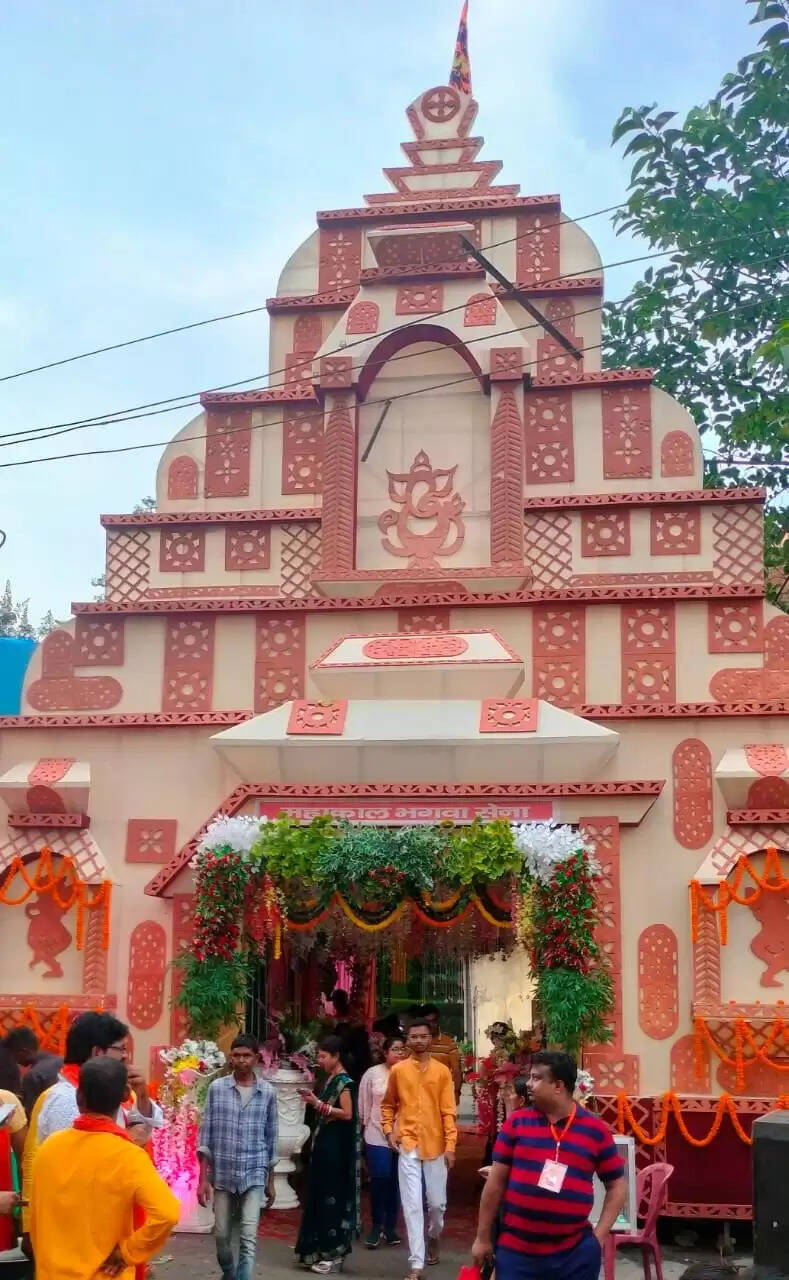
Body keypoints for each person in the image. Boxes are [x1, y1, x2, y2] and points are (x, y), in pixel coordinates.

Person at [471, 1050, 627, 1280]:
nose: (528, 1084)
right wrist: (482, 1238)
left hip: (575, 1256)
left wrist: (598, 1237)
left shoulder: (595, 1130)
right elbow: (495, 1183)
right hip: (517, 1253)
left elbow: (617, 1186)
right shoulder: (517, 1123)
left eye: (536, 1078)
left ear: (558, 1086)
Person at [30, 1057, 179, 1280]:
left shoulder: (49, 1148)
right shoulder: (128, 1155)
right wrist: (127, 1253)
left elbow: (37, 1216)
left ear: (79, 1097)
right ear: (126, 1095)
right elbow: (167, 1213)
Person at [380, 1017, 457, 1279]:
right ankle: (416, 1263)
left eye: (424, 1036)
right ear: (407, 1040)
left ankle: (434, 1235)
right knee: (411, 1204)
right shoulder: (399, 1071)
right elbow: (388, 1104)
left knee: (437, 1205)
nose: (419, 1041)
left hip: (436, 1144)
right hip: (408, 1142)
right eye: (414, 1037)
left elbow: (448, 1112)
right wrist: (388, 1130)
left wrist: (451, 1145)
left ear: (431, 1038)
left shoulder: (442, 1071)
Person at [197, 1034, 278, 1280]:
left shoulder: (267, 1092)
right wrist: (203, 1180)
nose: (242, 1060)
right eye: (237, 1055)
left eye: (247, 1055)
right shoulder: (217, 1089)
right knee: (221, 1234)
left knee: (248, 1236)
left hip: (254, 1171)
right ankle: (229, 1273)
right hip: (223, 1172)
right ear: (230, 1058)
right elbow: (206, 1135)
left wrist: (270, 1181)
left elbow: (271, 1137)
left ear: (256, 1058)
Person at [36, 1011, 163, 1144]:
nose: (125, 1056)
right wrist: (129, 1143)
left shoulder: (106, 1087)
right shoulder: (65, 1100)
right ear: (97, 1052)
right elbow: (77, 1153)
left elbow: (144, 1130)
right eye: (121, 1048)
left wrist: (142, 1096)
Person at [295, 1034, 360, 1274]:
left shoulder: (345, 1082)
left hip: (336, 1149)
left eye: (323, 1057)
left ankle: (333, 1253)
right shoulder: (331, 1078)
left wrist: (317, 1104)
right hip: (324, 1145)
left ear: (336, 1056)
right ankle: (317, 1249)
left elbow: (347, 1114)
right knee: (319, 1196)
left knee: (332, 1197)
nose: (320, 1061)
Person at [358, 1034, 406, 1248]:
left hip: (403, 1135)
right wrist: (363, 1127)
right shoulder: (372, 1074)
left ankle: (390, 1226)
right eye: (394, 1049)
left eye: (402, 1049)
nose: (399, 1053)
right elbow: (364, 1104)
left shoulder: (409, 1073)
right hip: (376, 1133)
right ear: (385, 1053)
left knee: (397, 1182)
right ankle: (376, 1226)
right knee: (380, 1179)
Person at [2, 1026, 62, 1117]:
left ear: (23, 1052)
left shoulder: (33, 1076)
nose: (14, 1061)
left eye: (13, 1055)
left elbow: (30, 1114)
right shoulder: (60, 1061)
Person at [421, 1004, 462, 1103]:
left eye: (433, 1021)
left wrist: (456, 1092)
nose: (431, 1024)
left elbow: (457, 1071)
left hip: (442, 1096)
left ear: (438, 1021)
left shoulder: (449, 1043)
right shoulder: (415, 1043)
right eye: (427, 1021)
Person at [331, 988, 372, 1084]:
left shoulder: (353, 1013)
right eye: (335, 1001)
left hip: (356, 1051)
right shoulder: (337, 1017)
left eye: (337, 1001)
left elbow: (362, 1023)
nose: (335, 1004)